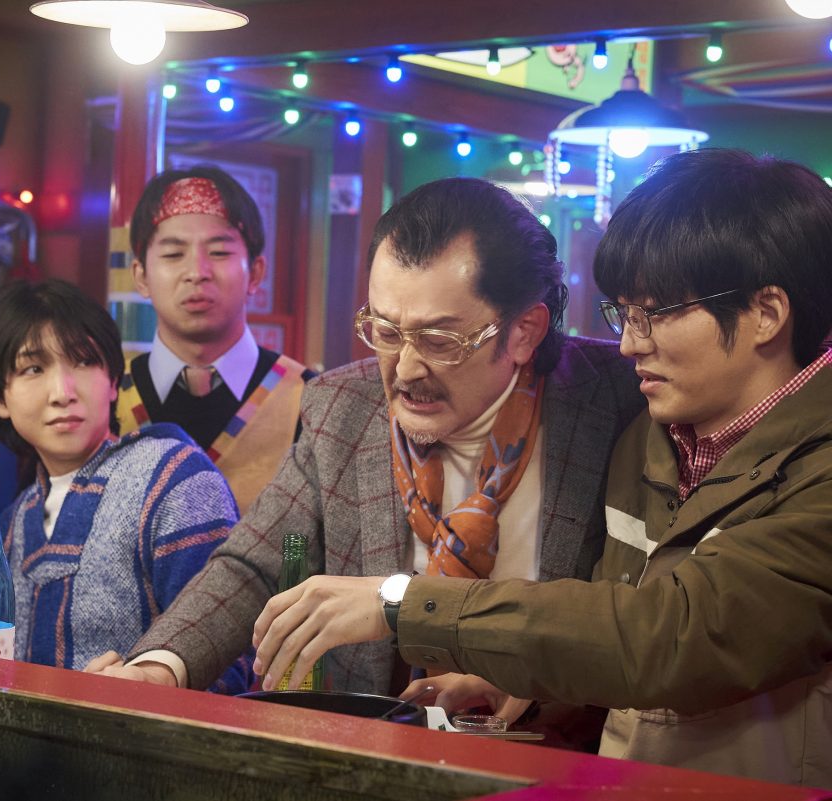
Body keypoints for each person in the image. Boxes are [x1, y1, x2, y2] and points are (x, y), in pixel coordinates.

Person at [251, 150, 832, 788]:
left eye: (656, 313)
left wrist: (401, 602)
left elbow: (674, 636)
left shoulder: (816, 469)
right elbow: (611, 637)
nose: (630, 343)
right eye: (624, 314)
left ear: (766, 314)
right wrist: (522, 686)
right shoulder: (650, 440)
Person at [88, 178, 644, 718]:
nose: (405, 370)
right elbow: (252, 564)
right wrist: (160, 667)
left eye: (438, 340)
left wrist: (533, 674)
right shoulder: (343, 407)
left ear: (524, 331)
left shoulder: (617, 400)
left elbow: (647, 623)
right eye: (386, 332)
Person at [0, 278, 248, 691]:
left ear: (114, 381)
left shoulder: (175, 480)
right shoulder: (11, 522)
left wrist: (146, 685)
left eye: (83, 362)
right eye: (33, 369)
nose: (63, 392)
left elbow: (230, 656)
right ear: (0, 399)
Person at [118, 166, 316, 512]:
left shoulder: (310, 401)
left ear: (255, 273)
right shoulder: (107, 398)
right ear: (141, 276)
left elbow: (311, 537)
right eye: (173, 254)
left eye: (220, 252)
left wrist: (289, 547)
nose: (197, 272)